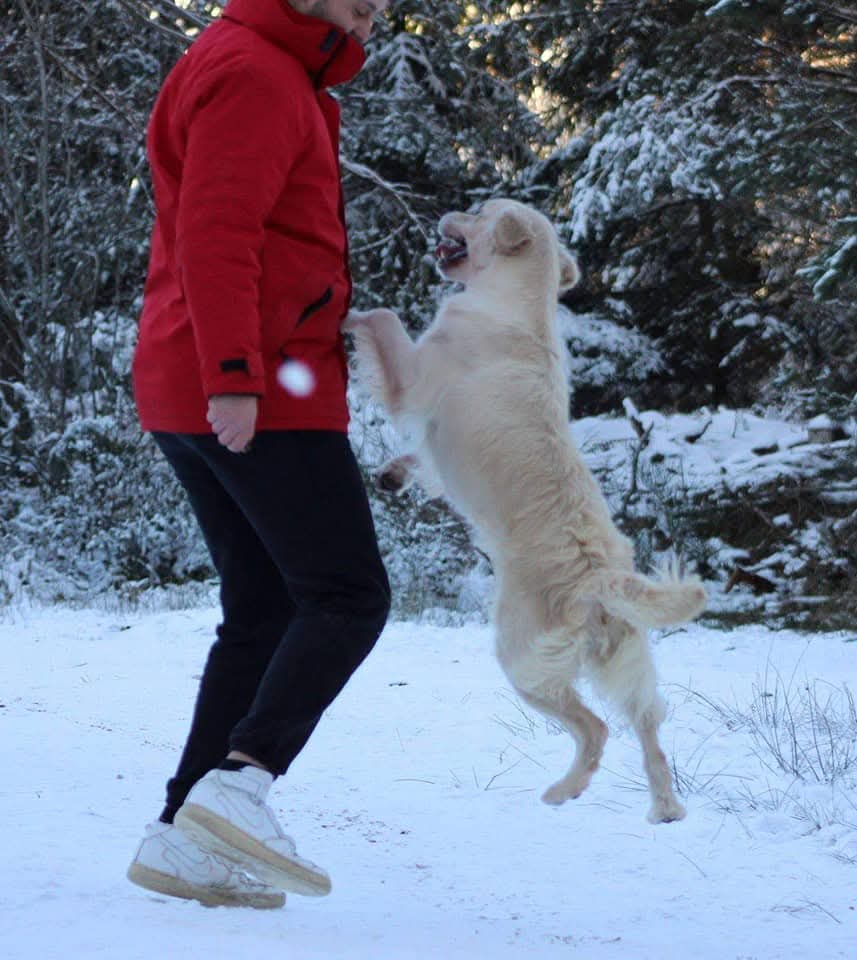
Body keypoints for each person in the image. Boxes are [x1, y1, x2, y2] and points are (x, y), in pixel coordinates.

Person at [126, 0, 391, 909]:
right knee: (348, 595)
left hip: (207, 377)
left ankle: (182, 837)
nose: (376, 4)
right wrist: (235, 373)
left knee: (265, 607)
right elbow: (217, 229)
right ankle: (241, 785)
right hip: (255, 386)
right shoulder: (256, 71)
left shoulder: (259, 61)